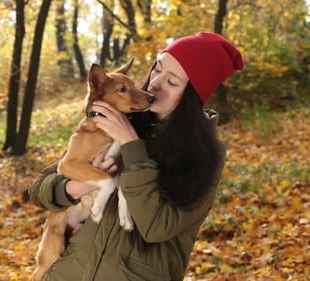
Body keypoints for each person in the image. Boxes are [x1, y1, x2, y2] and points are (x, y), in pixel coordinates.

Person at [28, 31, 244, 281]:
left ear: (192, 97)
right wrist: (78, 186)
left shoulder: (205, 153)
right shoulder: (118, 117)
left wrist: (131, 144)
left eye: (172, 82)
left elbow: (157, 227)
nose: (154, 84)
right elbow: (39, 189)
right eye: (157, 69)